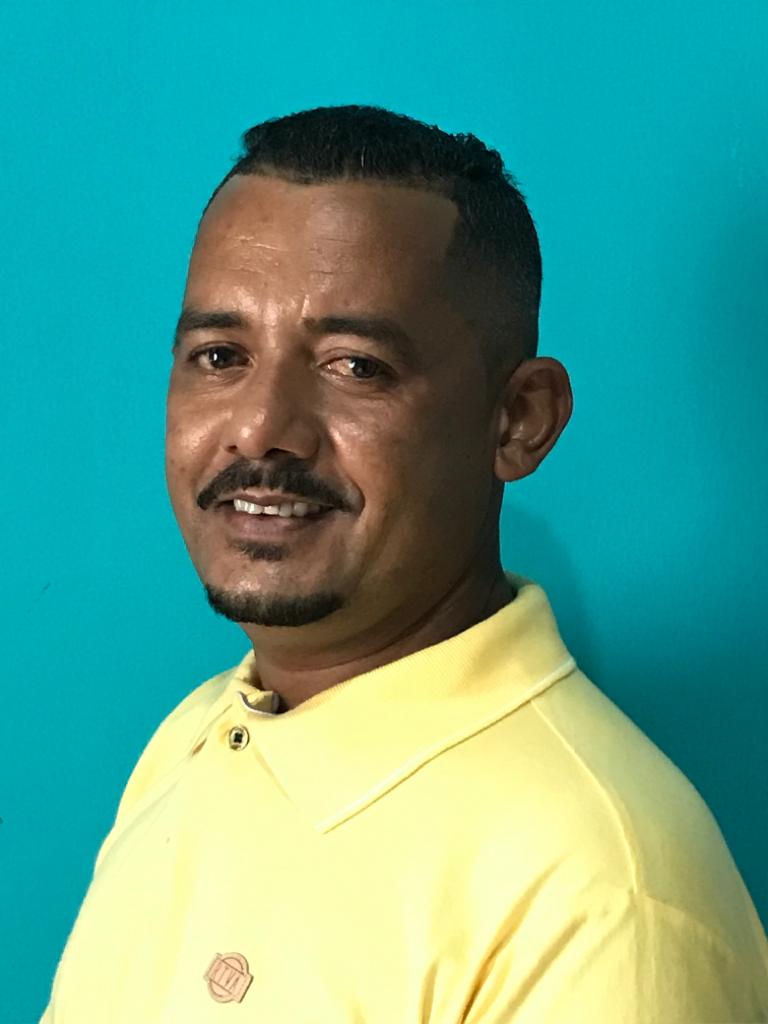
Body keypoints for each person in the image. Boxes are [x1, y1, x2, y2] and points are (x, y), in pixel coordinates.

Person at [41, 104, 767, 1022]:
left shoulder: (598, 903)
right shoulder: (193, 740)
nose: (260, 427)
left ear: (519, 420)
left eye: (356, 367)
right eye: (220, 355)